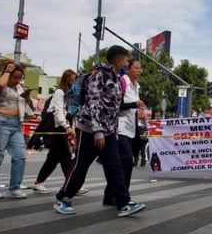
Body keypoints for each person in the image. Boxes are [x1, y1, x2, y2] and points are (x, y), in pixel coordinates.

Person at [53, 45, 145, 217]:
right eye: (126, 60)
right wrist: (97, 132)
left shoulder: (116, 79)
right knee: (81, 165)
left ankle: (123, 203)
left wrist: (112, 131)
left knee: (115, 166)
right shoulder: (99, 76)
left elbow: (113, 108)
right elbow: (93, 104)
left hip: (109, 131)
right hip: (89, 130)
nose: (127, 63)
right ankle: (63, 199)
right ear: (118, 61)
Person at [33, 69, 88, 195]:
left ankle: (39, 182)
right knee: (66, 157)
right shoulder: (59, 92)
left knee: (53, 158)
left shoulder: (71, 95)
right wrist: (67, 128)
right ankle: (72, 186)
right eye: (74, 79)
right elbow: (58, 112)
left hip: (63, 128)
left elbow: (71, 114)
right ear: (68, 80)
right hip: (57, 128)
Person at [0, 62, 35, 199]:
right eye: (15, 77)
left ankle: (15, 187)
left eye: (20, 78)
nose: (17, 80)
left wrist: (27, 97)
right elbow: (0, 86)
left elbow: (28, 107)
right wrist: (7, 70)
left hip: (16, 123)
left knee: (20, 156)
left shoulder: (18, 88)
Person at [103, 58, 145, 205]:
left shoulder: (136, 86)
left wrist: (138, 111)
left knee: (119, 163)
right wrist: (134, 104)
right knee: (127, 161)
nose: (139, 70)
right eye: (136, 68)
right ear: (128, 69)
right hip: (118, 128)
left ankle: (110, 196)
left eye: (141, 68)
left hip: (130, 129)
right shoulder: (122, 81)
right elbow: (116, 105)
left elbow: (131, 108)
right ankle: (122, 196)